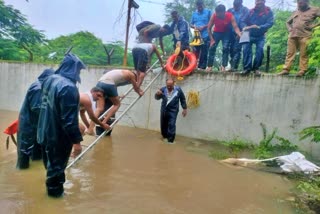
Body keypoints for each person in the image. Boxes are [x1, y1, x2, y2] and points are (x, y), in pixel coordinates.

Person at [37, 53, 85, 198]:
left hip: (43, 132)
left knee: (50, 167)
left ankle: (50, 194)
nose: (79, 73)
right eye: (79, 70)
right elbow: (69, 120)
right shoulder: (69, 87)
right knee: (57, 172)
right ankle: (55, 200)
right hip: (58, 137)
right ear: (74, 68)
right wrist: (77, 143)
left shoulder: (49, 79)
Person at [16, 69, 54, 169]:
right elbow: (37, 108)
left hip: (37, 126)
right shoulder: (38, 88)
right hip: (28, 127)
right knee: (24, 155)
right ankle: (22, 174)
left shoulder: (43, 87)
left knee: (37, 154)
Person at [278, 0, 320, 77]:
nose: (299, 4)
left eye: (301, 3)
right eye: (298, 3)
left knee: (304, 53)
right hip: (292, 35)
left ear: (306, 2)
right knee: (290, 53)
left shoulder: (315, 9)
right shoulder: (295, 11)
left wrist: (313, 26)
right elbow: (287, 22)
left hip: (305, 35)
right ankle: (286, 70)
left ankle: (302, 71)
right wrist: (289, 29)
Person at [241, 0, 274, 75]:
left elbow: (270, 23)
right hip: (247, 33)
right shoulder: (250, 11)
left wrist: (259, 27)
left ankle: (256, 68)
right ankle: (247, 68)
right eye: (256, 1)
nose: (258, 3)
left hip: (260, 34)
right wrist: (245, 27)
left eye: (260, 1)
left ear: (264, 2)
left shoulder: (269, 12)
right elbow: (242, 20)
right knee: (246, 50)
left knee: (260, 51)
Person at [206, 4, 242, 72]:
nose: (217, 15)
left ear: (224, 12)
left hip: (226, 33)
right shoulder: (214, 16)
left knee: (225, 48)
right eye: (216, 13)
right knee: (212, 47)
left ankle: (223, 66)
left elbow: (235, 27)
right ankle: (209, 66)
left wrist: (239, 33)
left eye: (219, 14)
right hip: (216, 32)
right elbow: (208, 28)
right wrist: (212, 40)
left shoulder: (230, 16)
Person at [155, 78, 187, 143]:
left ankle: (170, 141)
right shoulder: (163, 89)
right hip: (164, 110)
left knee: (172, 124)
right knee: (163, 124)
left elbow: (182, 99)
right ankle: (164, 137)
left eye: (170, 85)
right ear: (166, 84)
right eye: (168, 85)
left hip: (173, 110)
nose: (169, 87)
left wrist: (184, 108)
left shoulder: (178, 90)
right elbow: (156, 98)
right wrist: (157, 94)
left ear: (174, 83)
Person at [228, 0, 249, 71]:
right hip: (231, 32)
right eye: (234, 6)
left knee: (237, 49)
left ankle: (234, 67)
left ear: (241, 4)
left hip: (242, 32)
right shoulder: (230, 10)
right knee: (231, 49)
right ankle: (232, 65)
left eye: (237, 6)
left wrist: (240, 33)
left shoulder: (245, 10)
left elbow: (245, 21)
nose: (235, 8)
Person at [190, 0, 212, 70]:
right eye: (198, 7)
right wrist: (194, 27)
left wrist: (204, 27)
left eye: (201, 7)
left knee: (204, 51)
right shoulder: (194, 14)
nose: (200, 8)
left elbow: (211, 22)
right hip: (196, 34)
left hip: (205, 34)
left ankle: (202, 67)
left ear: (203, 5)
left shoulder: (208, 12)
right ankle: (193, 66)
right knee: (195, 51)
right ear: (196, 6)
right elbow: (191, 24)